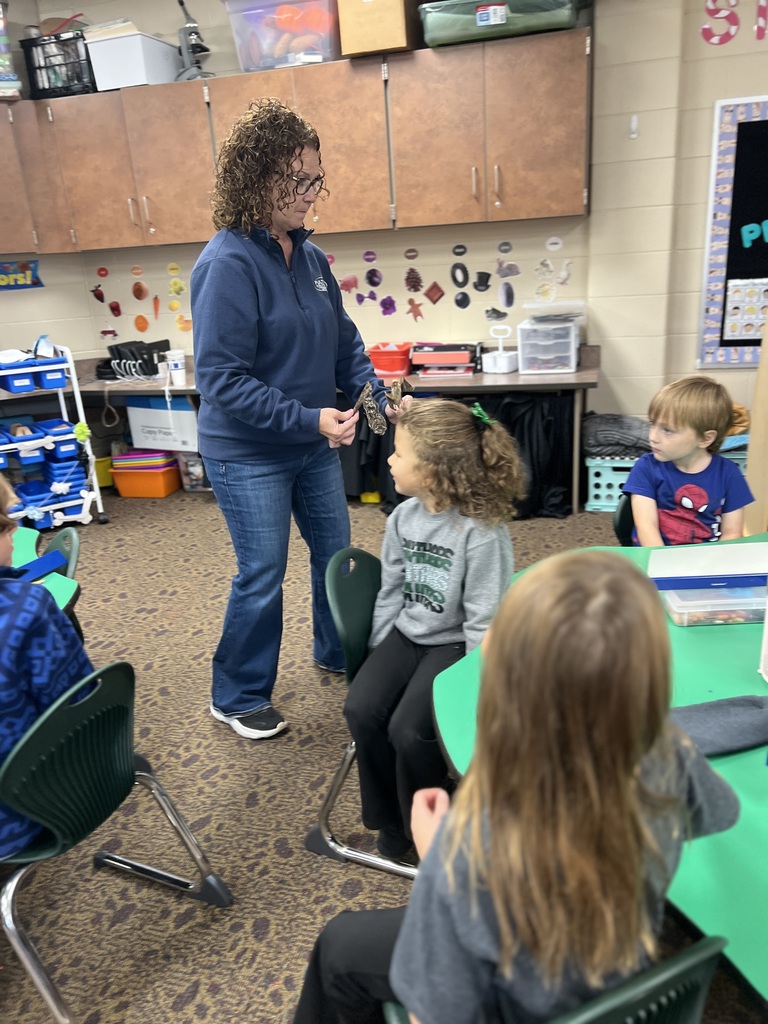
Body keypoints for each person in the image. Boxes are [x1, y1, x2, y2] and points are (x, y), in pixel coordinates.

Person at [293, 550, 739, 1024]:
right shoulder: (667, 754)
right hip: (612, 975)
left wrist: (438, 855)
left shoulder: (477, 842)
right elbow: (721, 812)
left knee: (339, 945)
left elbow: (439, 1014)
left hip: (513, 1003)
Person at [191, 98, 400, 741]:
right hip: (248, 451)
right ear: (255, 179)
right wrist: (310, 419)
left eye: (316, 179)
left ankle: (337, 651)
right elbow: (221, 382)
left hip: (310, 441)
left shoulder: (310, 258)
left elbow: (343, 341)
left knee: (335, 554)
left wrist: (375, 396)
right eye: (297, 180)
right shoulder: (226, 263)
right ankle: (237, 694)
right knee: (261, 573)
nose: (311, 194)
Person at [344, 399, 526, 861]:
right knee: (362, 708)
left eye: (399, 453)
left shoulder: (481, 532)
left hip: (453, 645)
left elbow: (483, 620)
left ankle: (425, 822)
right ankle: (390, 822)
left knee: (410, 730)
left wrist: (471, 690)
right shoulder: (402, 517)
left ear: (433, 471)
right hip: (407, 635)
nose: (388, 460)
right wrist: (375, 654)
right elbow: (391, 591)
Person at [0, 476, 93, 858]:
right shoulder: (27, 607)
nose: (15, 532)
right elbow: (83, 707)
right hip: (30, 810)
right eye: (6, 524)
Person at [623, 375, 753, 545]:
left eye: (668, 430)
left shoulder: (728, 474)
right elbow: (646, 527)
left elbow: (732, 533)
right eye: (652, 424)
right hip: (655, 560)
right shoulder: (647, 467)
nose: (653, 437)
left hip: (705, 562)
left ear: (705, 439)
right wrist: (665, 566)